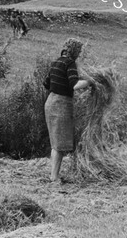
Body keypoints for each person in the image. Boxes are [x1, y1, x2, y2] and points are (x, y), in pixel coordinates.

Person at [43, 38, 92, 182]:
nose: (80, 55)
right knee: (59, 145)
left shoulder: (56, 62)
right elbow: (75, 85)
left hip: (50, 102)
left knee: (55, 143)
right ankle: (54, 177)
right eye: (79, 52)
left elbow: (46, 83)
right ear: (75, 51)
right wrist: (91, 81)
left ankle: (54, 175)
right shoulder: (70, 63)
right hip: (61, 104)